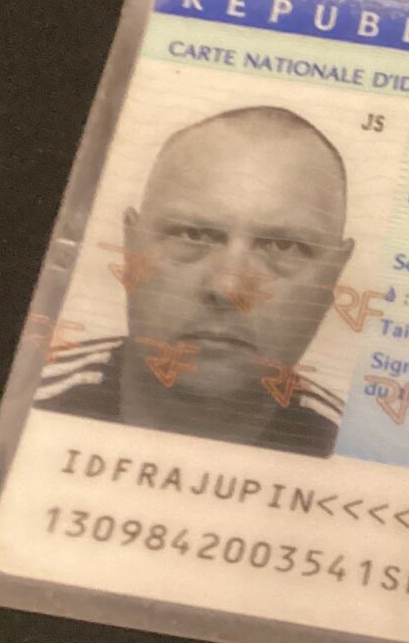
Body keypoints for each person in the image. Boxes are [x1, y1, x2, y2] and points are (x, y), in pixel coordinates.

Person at [36, 106, 355, 455]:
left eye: (283, 247)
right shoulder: (24, 399)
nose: (228, 288)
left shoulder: (360, 455)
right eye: (193, 235)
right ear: (130, 249)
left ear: (333, 274)